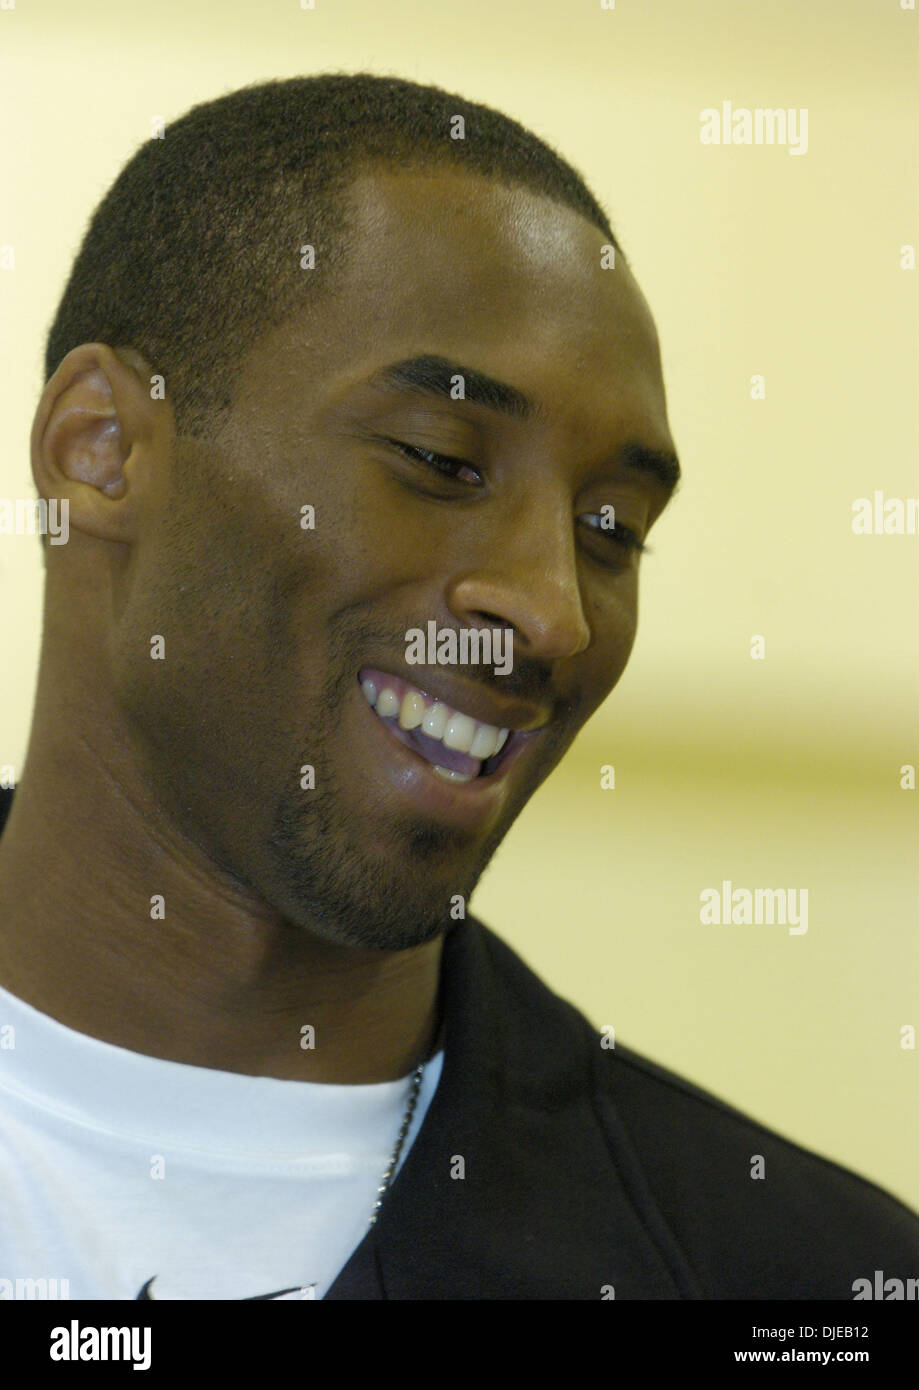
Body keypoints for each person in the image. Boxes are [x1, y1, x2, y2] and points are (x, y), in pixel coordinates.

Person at [0, 73, 915, 1302]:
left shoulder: (811, 1285)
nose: (552, 612)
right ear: (101, 453)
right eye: (440, 461)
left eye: (610, 527)